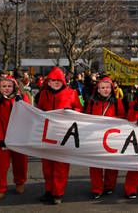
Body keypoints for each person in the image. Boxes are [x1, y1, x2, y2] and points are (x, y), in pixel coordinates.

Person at [37, 67, 83, 204]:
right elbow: (39, 111)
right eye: (53, 80)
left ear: (63, 81)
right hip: (47, 135)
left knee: (61, 167)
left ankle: (58, 193)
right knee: (47, 166)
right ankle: (49, 190)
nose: (56, 83)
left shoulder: (71, 93)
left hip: (65, 136)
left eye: (58, 80)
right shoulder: (44, 94)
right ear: (48, 82)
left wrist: (72, 110)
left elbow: (80, 109)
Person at [0, 76, 30, 203]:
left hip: (19, 138)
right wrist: (0, 139)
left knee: (20, 163)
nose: (7, 89)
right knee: (0, 166)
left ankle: (20, 182)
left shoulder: (22, 99)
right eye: (4, 86)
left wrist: (22, 102)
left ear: (15, 87)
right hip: (3, 139)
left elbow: (30, 115)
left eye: (9, 86)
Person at [84, 76, 126, 200]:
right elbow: (87, 117)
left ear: (112, 89)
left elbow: (123, 118)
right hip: (95, 138)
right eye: (103, 88)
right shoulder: (92, 102)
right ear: (98, 89)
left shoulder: (117, 102)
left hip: (112, 139)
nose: (105, 90)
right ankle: (97, 189)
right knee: (95, 165)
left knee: (112, 164)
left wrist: (112, 121)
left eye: (108, 87)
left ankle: (109, 186)